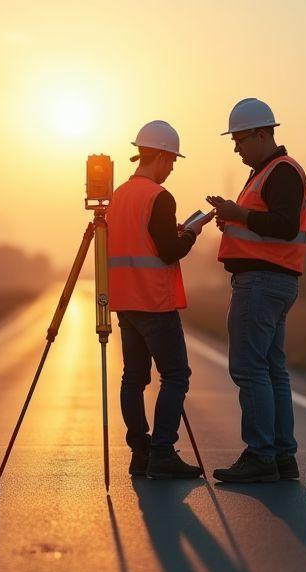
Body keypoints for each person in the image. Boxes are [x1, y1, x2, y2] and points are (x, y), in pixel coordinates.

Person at [206, 98, 306, 483]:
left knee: (250, 370)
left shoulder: (281, 172)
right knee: (272, 371)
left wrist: (239, 215)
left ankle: (261, 455)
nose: (236, 147)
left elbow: (281, 225)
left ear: (263, 134)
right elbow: (268, 225)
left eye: (241, 139)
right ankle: (282, 456)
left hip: (262, 284)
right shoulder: (268, 172)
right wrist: (235, 220)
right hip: (275, 281)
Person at [107, 120, 208, 479]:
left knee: (133, 378)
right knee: (176, 375)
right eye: (172, 161)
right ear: (162, 156)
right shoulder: (159, 197)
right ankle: (163, 453)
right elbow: (169, 252)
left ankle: (140, 452)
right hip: (154, 301)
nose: (171, 169)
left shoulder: (117, 195)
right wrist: (191, 234)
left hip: (124, 301)